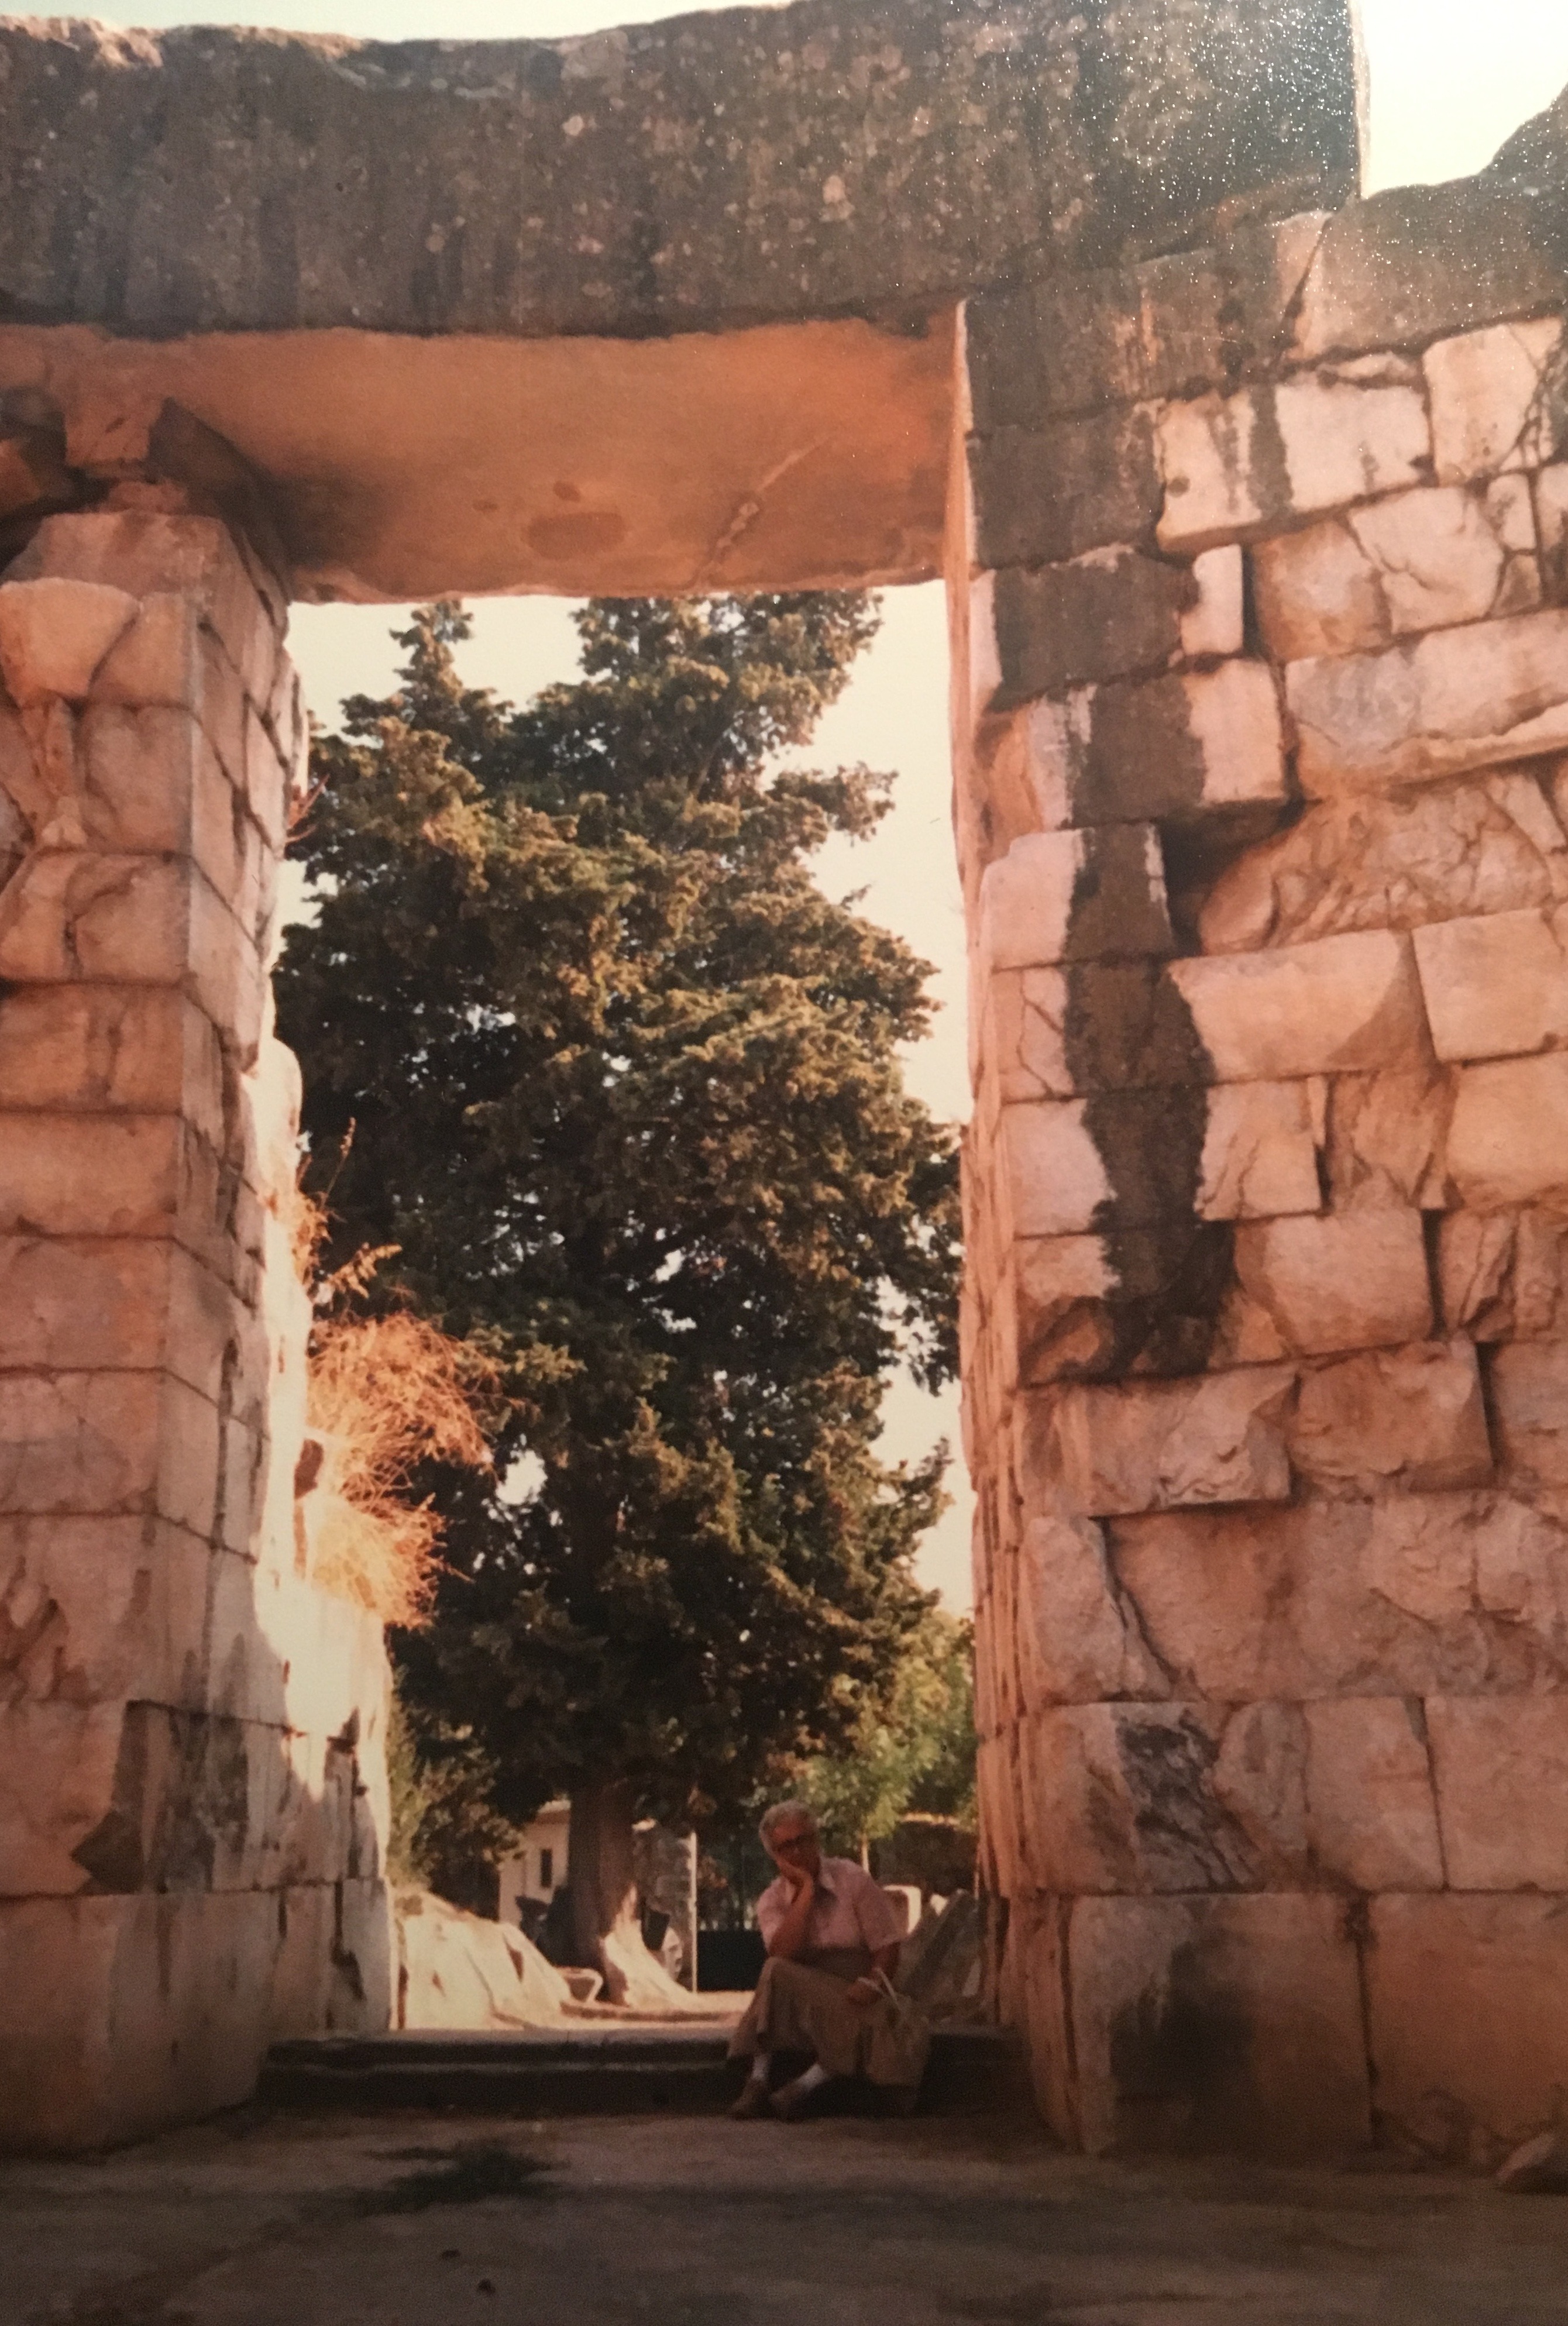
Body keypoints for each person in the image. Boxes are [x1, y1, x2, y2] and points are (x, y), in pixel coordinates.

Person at [727, 1800, 930, 2121]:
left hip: (854, 1986)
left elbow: (887, 1946)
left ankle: (802, 2088)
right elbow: (782, 1953)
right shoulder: (772, 1900)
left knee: (876, 2020)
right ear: (775, 1856)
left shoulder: (853, 1880)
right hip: (802, 1994)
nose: (796, 1852)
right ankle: (759, 2079)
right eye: (785, 1847)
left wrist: (873, 1982)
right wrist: (807, 1890)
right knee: (775, 1971)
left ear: (816, 1840)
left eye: (802, 1841)